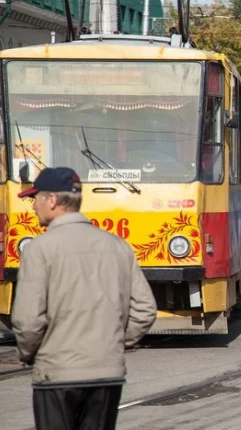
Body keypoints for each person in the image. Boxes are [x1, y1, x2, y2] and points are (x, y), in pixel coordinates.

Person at [11, 167, 157, 430]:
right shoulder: (116, 245)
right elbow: (145, 309)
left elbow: (27, 320)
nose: (34, 207)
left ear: (52, 200)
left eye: (36, 199)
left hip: (56, 373)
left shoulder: (39, 250)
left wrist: (31, 353)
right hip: (107, 374)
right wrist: (113, 344)